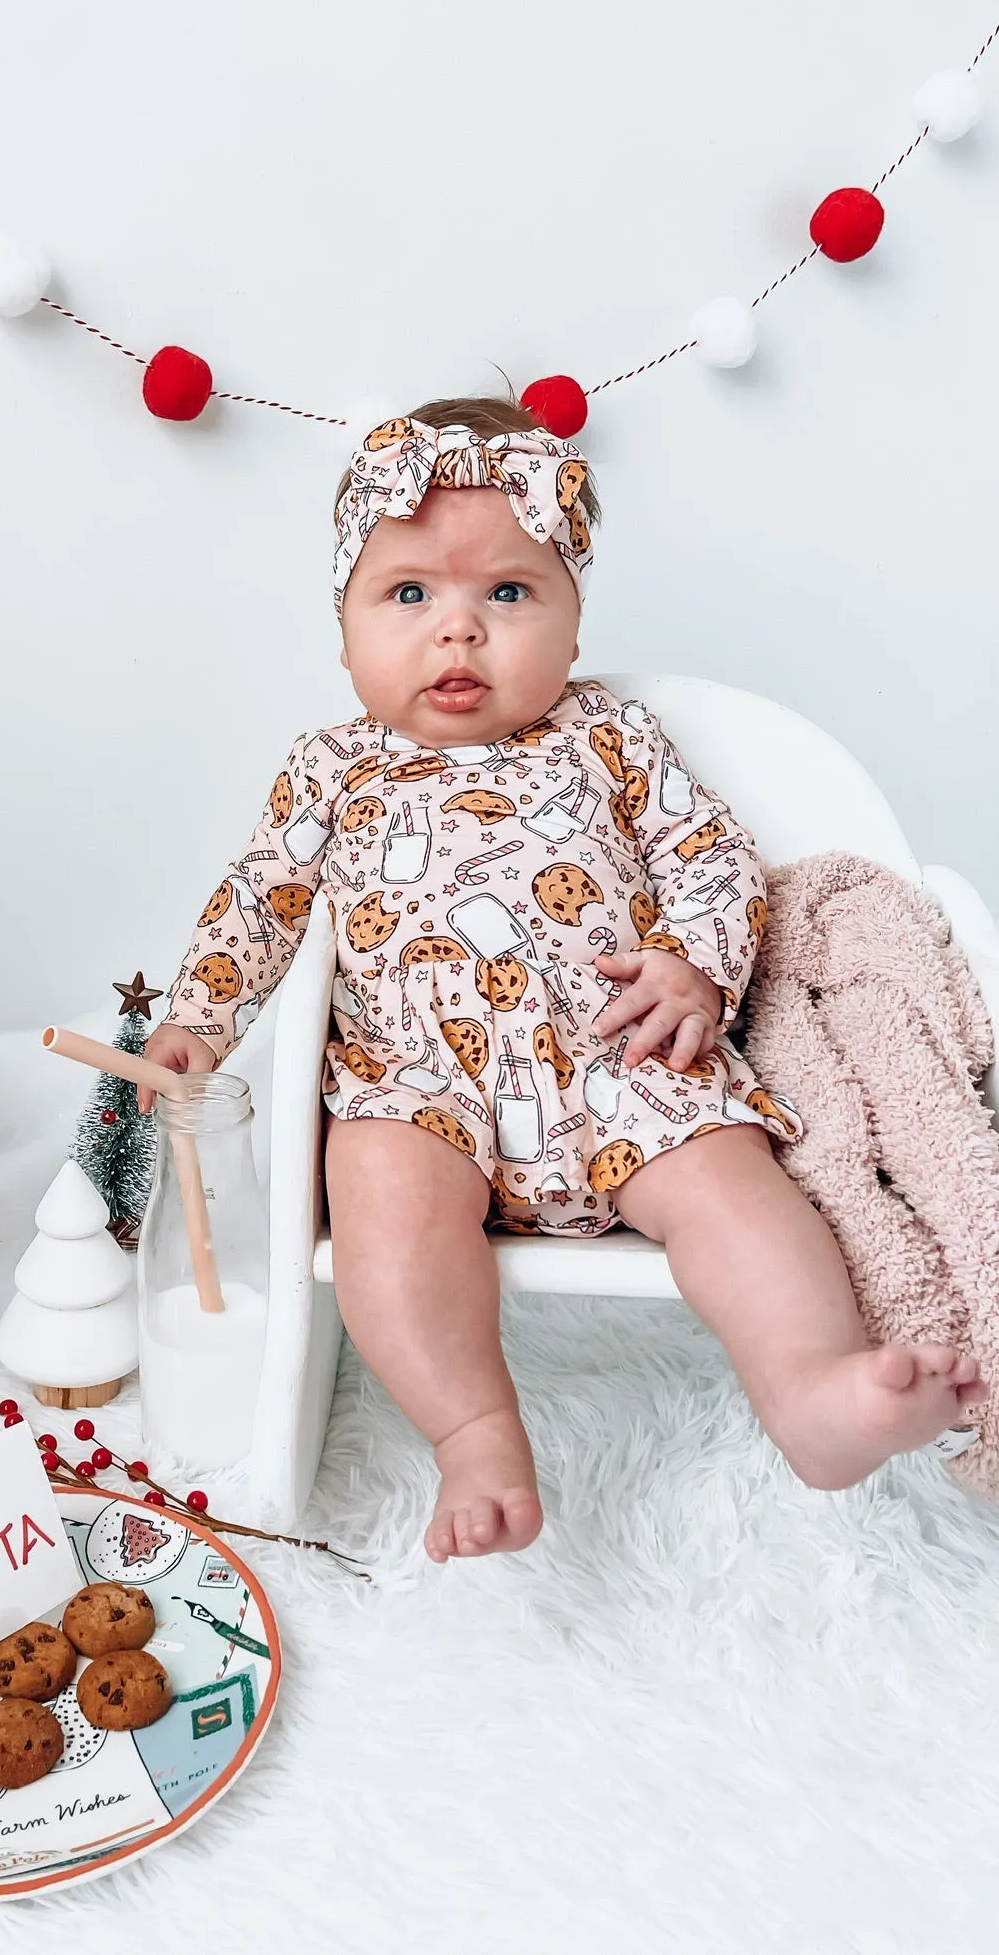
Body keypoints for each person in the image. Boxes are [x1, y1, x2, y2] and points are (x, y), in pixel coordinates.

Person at [138, 396, 986, 1562]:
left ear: (573, 627)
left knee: (733, 1187)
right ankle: (475, 1431)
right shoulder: (330, 766)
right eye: (408, 595)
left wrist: (693, 969)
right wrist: (197, 1020)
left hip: (616, 1059)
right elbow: (261, 898)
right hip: (418, 1083)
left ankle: (813, 1396)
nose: (458, 633)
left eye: (507, 593)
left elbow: (712, 858)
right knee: (380, 1193)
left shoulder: (609, 737)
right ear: (342, 630)